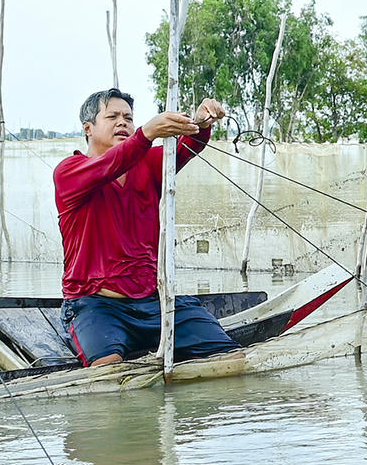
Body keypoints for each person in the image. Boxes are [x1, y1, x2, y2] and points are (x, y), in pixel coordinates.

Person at [52, 87, 239, 366]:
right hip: (96, 304)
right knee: (108, 371)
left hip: (154, 301)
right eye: (112, 117)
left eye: (128, 118)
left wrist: (201, 124)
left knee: (231, 359)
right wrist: (146, 134)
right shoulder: (69, 171)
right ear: (88, 128)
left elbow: (186, 147)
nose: (123, 123)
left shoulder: (149, 164)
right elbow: (110, 165)